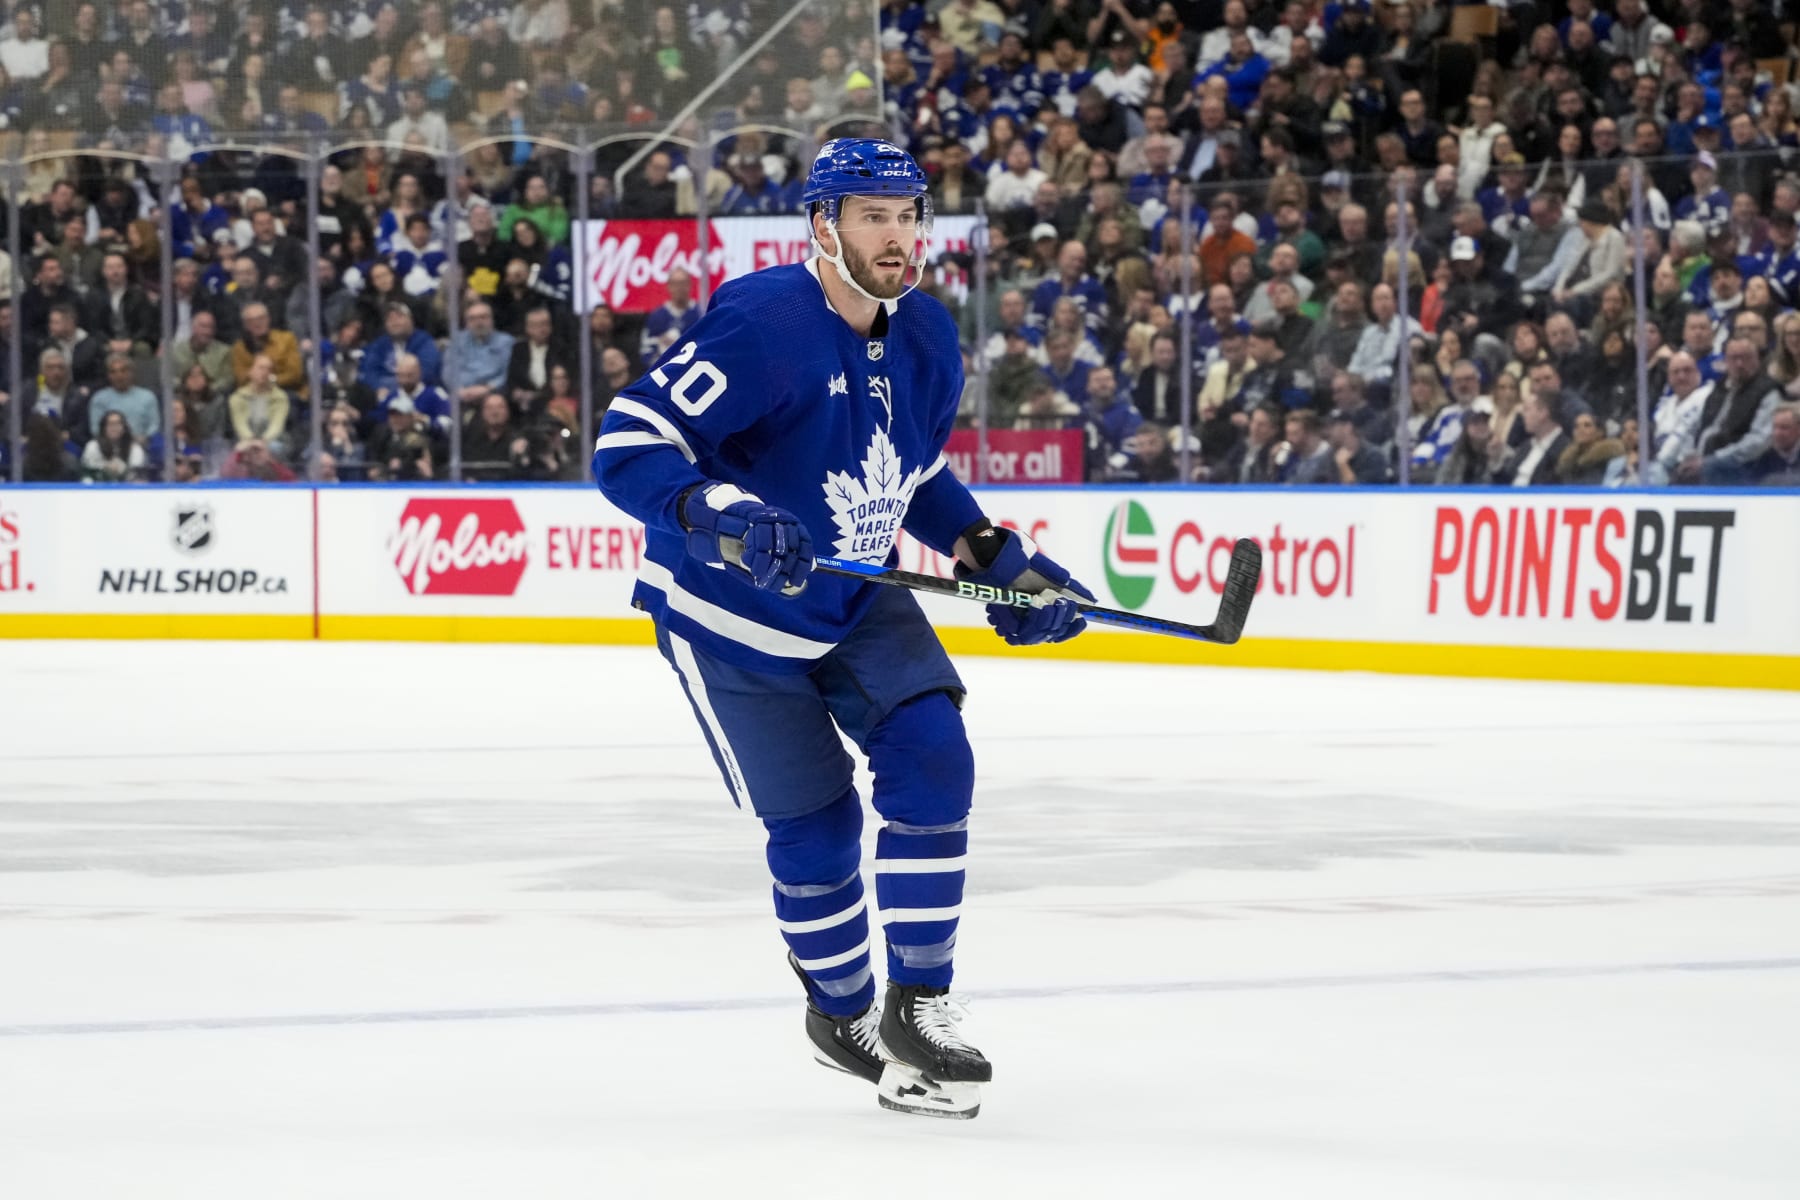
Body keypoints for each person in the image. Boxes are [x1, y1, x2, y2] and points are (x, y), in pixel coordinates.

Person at [593, 139, 1093, 1120]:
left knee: (935, 754)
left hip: (855, 591)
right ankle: (843, 1013)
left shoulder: (928, 338)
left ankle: (921, 1005)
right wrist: (717, 512)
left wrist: (995, 555)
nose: (898, 235)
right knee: (818, 830)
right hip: (728, 617)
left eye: (909, 215)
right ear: (823, 226)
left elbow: (907, 474)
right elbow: (627, 441)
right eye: (873, 215)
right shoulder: (764, 323)